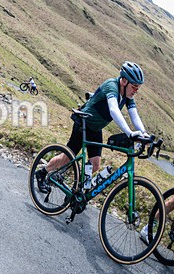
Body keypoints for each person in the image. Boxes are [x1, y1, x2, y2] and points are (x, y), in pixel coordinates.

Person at [37, 61, 148, 195]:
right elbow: (114, 110)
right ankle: (42, 173)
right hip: (83, 123)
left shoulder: (127, 94)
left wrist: (144, 134)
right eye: (134, 86)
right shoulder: (111, 86)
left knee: (95, 165)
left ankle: (77, 191)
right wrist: (129, 133)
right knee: (66, 157)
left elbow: (134, 115)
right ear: (124, 81)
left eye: (138, 88)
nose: (136, 91)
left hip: (96, 128)